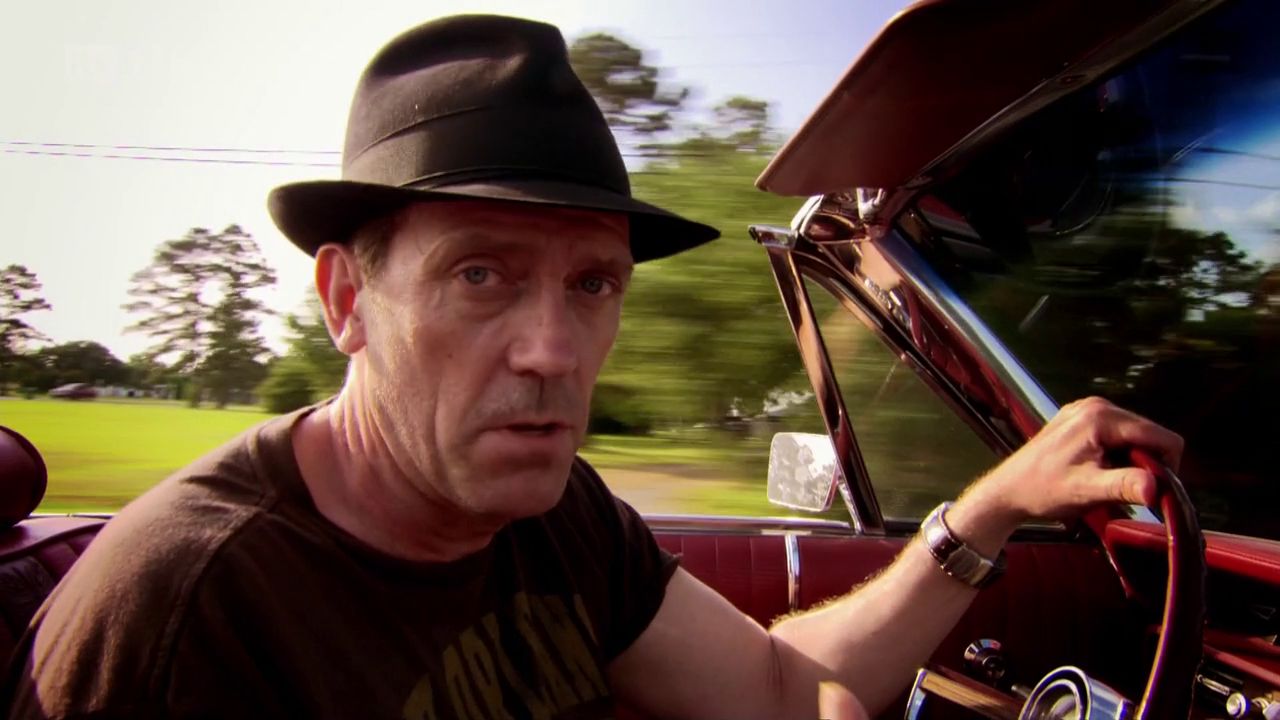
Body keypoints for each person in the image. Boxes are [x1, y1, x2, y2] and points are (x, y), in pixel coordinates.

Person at [2, 15, 1182, 720]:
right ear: (348, 301)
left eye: (592, 284)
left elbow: (777, 694)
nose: (553, 351)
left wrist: (989, 506)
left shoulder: (550, 514)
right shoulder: (186, 609)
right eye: (479, 274)